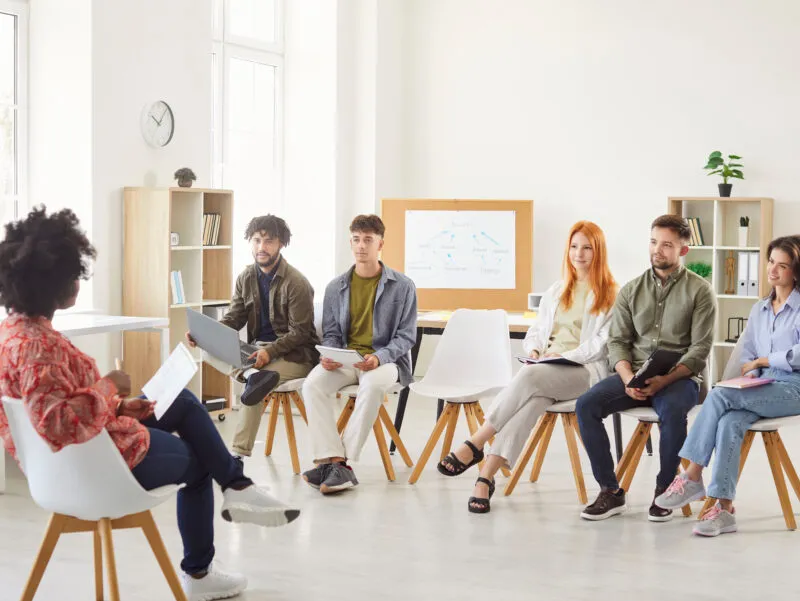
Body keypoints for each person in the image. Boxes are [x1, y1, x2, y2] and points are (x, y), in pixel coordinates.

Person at [0, 207, 300, 601]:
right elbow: (55, 423)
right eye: (75, 274)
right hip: (97, 465)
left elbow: (58, 408)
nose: (79, 282)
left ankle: (238, 485)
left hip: (81, 455)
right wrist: (109, 389)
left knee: (181, 400)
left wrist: (121, 408)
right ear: (52, 282)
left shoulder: (15, 333)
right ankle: (201, 570)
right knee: (197, 463)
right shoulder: (40, 347)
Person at [436, 221, 617, 513]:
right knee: (532, 401)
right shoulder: (558, 290)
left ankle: (476, 441)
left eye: (587, 248)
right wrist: (534, 349)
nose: (579, 254)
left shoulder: (610, 294)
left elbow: (601, 345)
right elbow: (537, 331)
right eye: (574, 247)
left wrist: (563, 355)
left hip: (583, 372)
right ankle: (485, 478)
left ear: (598, 252)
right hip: (545, 372)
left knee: (531, 375)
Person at [655, 236, 800, 536]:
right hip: (762, 386)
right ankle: (724, 507)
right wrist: (737, 378)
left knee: (721, 396)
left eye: (782, 266)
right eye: (771, 261)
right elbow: (744, 355)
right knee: (730, 422)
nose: (772, 270)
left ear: (795, 272)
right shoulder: (760, 309)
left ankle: (693, 474)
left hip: (793, 387)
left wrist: (763, 360)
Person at [575, 214, 716, 522]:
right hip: (635, 374)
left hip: (681, 378)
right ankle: (610, 492)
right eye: (654, 242)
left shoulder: (701, 291)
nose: (658, 250)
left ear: (683, 250)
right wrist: (627, 378)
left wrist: (663, 381)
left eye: (667, 245)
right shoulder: (630, 290)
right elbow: (618, 343)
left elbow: (699, 350)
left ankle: (665, 490)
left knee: (672, 412)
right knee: (586, 404)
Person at [301, 214, 417, 494]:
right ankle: (333, 458)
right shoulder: (335, 287)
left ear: (380, 244)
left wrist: (379, 357)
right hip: (347, 359)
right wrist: (330, 354)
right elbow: (331, 332)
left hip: (385, 360)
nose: (361, 246)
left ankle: (344, 462)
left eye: (368, 240)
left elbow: (406, 336)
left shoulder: (402, 286)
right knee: (312, 384)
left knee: (373, 384)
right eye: (356, 239)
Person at [186, 215, 319, 458]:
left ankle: (236, 455)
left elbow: (300, 333)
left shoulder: (296, 283)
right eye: (257, 240)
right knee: (207, 350)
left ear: (281, 244)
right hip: (257, 351)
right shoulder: (246, 277)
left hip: (296, 356)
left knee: (255, 387)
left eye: (269, 241)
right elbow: (234, 318)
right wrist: (207, 333)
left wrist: (269, 352)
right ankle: (252, 374)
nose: (261, 247)